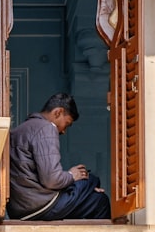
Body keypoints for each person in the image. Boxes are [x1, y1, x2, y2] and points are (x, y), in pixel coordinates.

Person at [7, 93, 111, 221]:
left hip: (18, 210)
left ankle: (92, 190)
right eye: (66, 124)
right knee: (93, 185)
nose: (63, 131)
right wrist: (72, 175)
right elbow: (52, 180)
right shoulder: (46, 128)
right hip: (41, 205)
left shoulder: (20, 129)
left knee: (93, 194)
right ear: (58, 112)